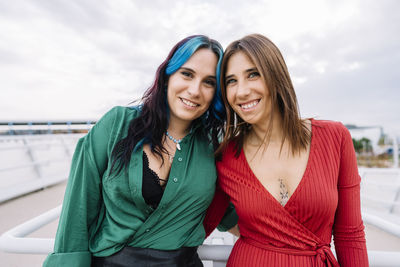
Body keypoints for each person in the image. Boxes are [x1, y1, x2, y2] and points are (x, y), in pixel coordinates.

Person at [43, 35, 236, 267]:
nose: (195, 90)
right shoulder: (116, 125)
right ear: (168, 75)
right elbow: (78, 211)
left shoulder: (216, 146)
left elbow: (235, 211)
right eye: (187, 74)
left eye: (209, 82)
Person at [204, 34, 369, 266]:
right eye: (231, 81)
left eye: (253, 74)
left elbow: (349, 234)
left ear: (276, 76)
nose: (241, 92)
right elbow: (202, 218)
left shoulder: (335, 138)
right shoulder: (226, 156)